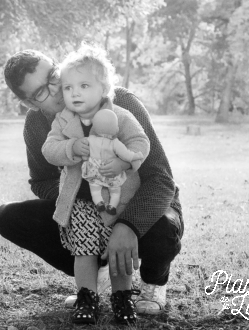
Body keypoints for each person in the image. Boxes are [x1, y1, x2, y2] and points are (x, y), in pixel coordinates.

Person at [0, 48, 184, 317]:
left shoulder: (120, 102)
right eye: (41, 92)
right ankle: (90, 280)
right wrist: (78, 197)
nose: (57, 88)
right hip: (85, 208)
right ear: (30, 103)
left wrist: (127, 225)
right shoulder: (37, 125)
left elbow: (161, 179)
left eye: (53, 74)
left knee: (164, 229)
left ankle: (153, 281)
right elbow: (41, 181)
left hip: (138, 201)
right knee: (9, 217)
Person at [41, 45, 149, 324]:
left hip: (116, 201)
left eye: (84, 85)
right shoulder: (63, 121)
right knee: (84, 252)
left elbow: (140, 143)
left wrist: (125, 163)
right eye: (68, 87)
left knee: (117, 257)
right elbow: (49, 150)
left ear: (103, 90)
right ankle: (86, 297)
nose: (74, 93)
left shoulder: (120, 116)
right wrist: (73, 147)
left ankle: (122, 298)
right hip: (81, 203)